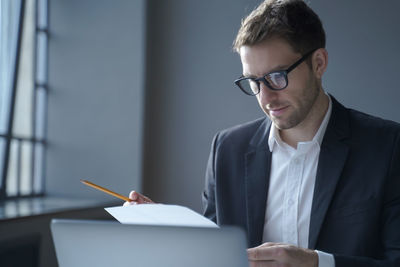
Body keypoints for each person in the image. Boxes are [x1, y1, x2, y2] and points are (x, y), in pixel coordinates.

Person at [127, 0, 400, 266]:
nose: (266, 97)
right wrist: (164, 227)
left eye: (277, 77)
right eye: (254, 81)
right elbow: (214, 254)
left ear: (318, 63)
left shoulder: (387, 146)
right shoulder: (227, 149)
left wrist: (317, 264)